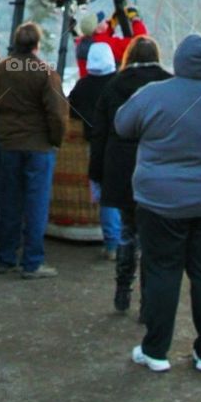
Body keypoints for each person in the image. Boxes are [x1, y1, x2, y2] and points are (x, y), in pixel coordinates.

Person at [115, 33, 201, 374]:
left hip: (161, 201)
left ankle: (156, 351)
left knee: (163, 270)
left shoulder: (153, 95)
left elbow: (122, 125)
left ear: (177, 61)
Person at [89, 37, 171, 312]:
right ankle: (149, 300)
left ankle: (122, 291)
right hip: (159, 166)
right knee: (153, 238)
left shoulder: (115, 85)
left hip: (122, 168)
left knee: (127, 231)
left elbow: (99, 134)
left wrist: (96, 175)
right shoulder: (169, 84)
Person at [0, 21, 68, 279]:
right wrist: (56, 140)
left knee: (8, 202)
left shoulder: (0, 70)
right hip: (38, 147)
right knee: (36, 205)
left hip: (8, 144)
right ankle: (32, 262)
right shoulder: (45, 72)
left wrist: (0, 133)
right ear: (36, 44)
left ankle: (5, 258)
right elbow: (56, 113)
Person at [67, 42, 121, 257]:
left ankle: (112, 244)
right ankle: (130, 240)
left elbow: (71, 112)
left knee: (105, 195)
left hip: (95, 145)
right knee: (126, 192)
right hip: (122, 143)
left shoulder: (82, 86)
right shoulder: (118, 83)